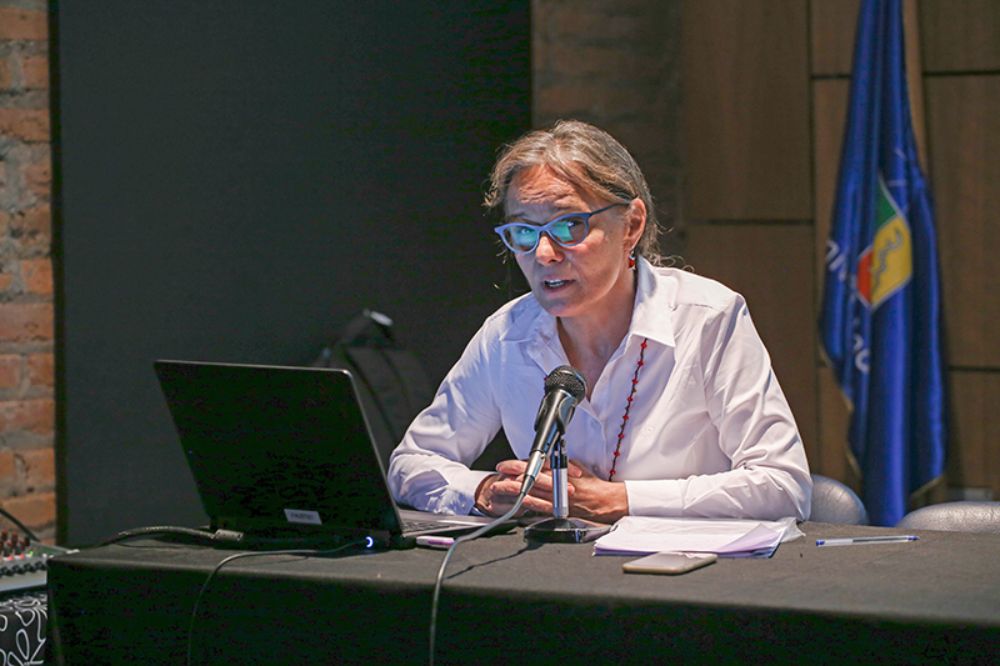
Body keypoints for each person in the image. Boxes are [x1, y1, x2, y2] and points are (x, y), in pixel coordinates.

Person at [387, 120, 811, 523]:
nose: (544, 255)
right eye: (524, 232)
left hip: (686, 581)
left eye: (569, 226)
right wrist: (482, 491)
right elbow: (410, 464)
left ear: (632, 225)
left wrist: (621, 500)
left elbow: (783, 485)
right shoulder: (506, 335)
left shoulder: (708, 319)